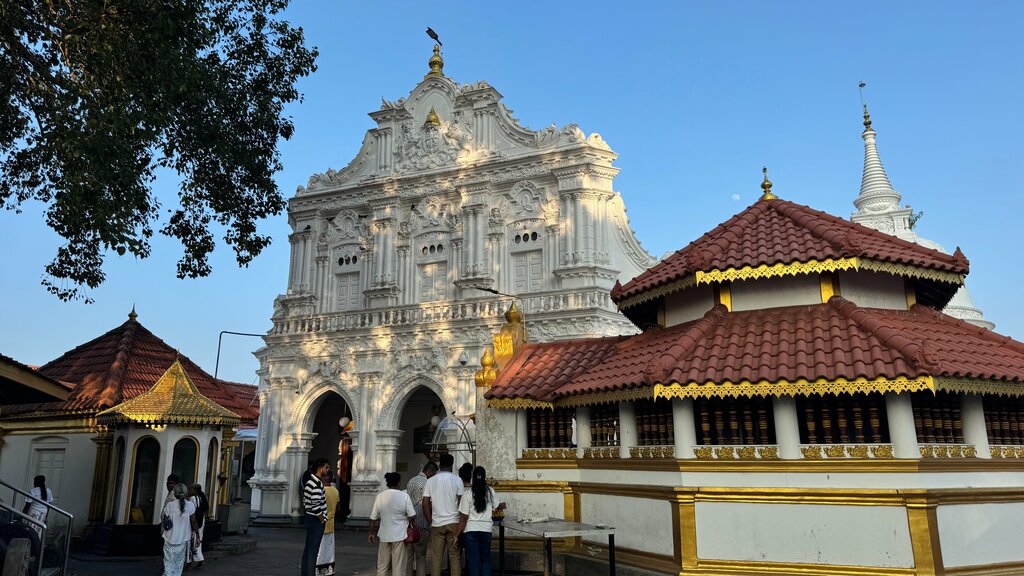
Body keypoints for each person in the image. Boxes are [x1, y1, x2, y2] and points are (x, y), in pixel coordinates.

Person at [455, 467, 506, 576]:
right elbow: (497, 506)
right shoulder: (490, 492)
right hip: (486, 530)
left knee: (473, 561)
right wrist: (503, 505)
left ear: (473, 477)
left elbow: (463, 517)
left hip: (470, 531)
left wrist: (456, 535)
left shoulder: (468, 494)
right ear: (484, 477)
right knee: (485, 560)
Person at [423, 453, 464, 576]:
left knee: (436, 557)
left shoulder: (431, 481)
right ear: (451, 465)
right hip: (454, 523)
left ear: (439, 465)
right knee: (454, 556)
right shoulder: (457, 480)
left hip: (437, 523)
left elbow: (425, 503)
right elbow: (461, 503)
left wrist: (430, 521)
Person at [369, 472, 415, 576]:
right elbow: (412, 515)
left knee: (382, 567)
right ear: (398, 482)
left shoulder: (380, 496)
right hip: (400, 535)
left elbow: (373, 518)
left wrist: (371, 533)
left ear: (387, 483)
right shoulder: (404, 496)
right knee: (398, 568)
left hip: (384, 535)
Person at [406, 462, 437, 576]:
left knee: (409, 556)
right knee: (421, 556)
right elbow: (426, 505)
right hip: (422, 523)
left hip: (409, 524)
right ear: (429, 471)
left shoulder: (411, 481)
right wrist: (430, 521)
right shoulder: (427, 483)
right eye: (433, 474)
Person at [162, 483, 199, 576]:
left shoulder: (169, 505)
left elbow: (165, 520)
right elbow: (193, 521)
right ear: (185, 493)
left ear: (175, 494)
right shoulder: (190, 505)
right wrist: (197, 535)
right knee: (178, 563)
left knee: (168, 561)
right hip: (182, 538)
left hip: (169, 537)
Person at [302, 459, 330, 576]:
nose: (327, 470)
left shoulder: (310, 482)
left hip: (309, 517)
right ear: (320, 468)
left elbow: (305, 502)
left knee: (308, 550)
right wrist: (322, 519)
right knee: (313, 551)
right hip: (316, 520)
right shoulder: (317, 484)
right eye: (326, 468)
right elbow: (315, 505)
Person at [316, 472, 340, 576]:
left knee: (319, 549)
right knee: (329, 550)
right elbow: (338, 507)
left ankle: (317, 569)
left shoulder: (321, 490)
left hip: (320, 523)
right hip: (331, 523)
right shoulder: (335, 491)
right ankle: (329, 570)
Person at [187, 483, 209, 570]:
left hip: (195, 523)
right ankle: (199, 558)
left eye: (191, 489)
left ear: (195, 490)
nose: (189, 491)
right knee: (197, 542)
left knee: (191, 542)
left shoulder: (192, 499)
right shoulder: (201, 498)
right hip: (201, 522)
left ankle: (189, 562)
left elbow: (191, 512)